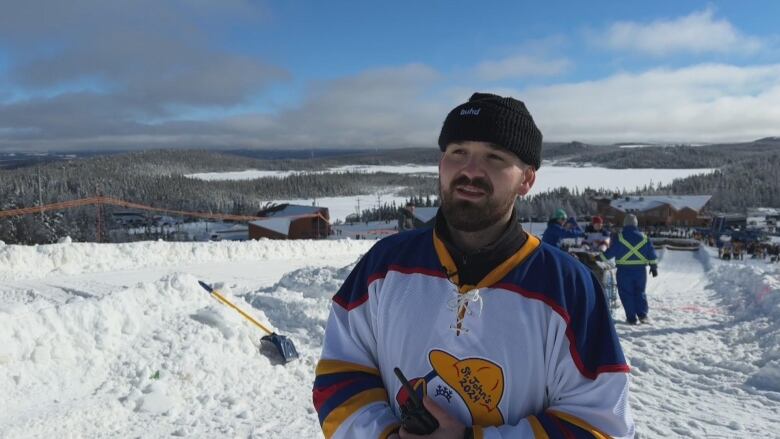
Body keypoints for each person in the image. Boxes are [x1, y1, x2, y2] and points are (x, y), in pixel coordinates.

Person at [313, 92, 634, 438]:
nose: (470, 171)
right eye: (458, 152)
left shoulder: (567, 287)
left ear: (526, 180)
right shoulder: (384, 266)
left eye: (494, 157)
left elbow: (601, 425)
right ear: (441, 163)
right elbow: (339, 373)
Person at [602, 214, 658, 325]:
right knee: (640, 292)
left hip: (624, 271)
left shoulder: (619, 237)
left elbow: (609, 254)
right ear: (636, 224)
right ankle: (643, 315)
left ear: (625, 224)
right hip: (640, 271)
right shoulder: (644, 237)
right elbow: (651, 253)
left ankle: (631, 318)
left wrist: (599, 257)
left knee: (626, 293)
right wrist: (653, 267)